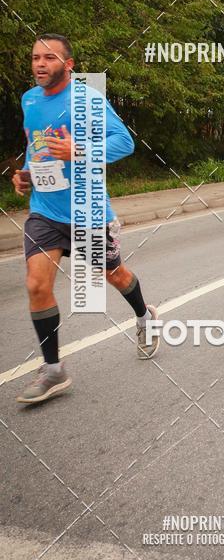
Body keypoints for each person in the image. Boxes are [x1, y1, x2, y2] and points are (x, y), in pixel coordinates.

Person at [12, 34, 161, 405]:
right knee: (36, 284)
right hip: (44, 210)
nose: (40, 64)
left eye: (49, 58)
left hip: (87, 210)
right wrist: (26, 173)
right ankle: (53, 370)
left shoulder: (85, 99)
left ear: (69, 64)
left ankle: (144, 315)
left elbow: (124, 142)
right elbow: (37, 146)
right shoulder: (29, 100)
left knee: (115, 275)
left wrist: (79, 150)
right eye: (35, 58)